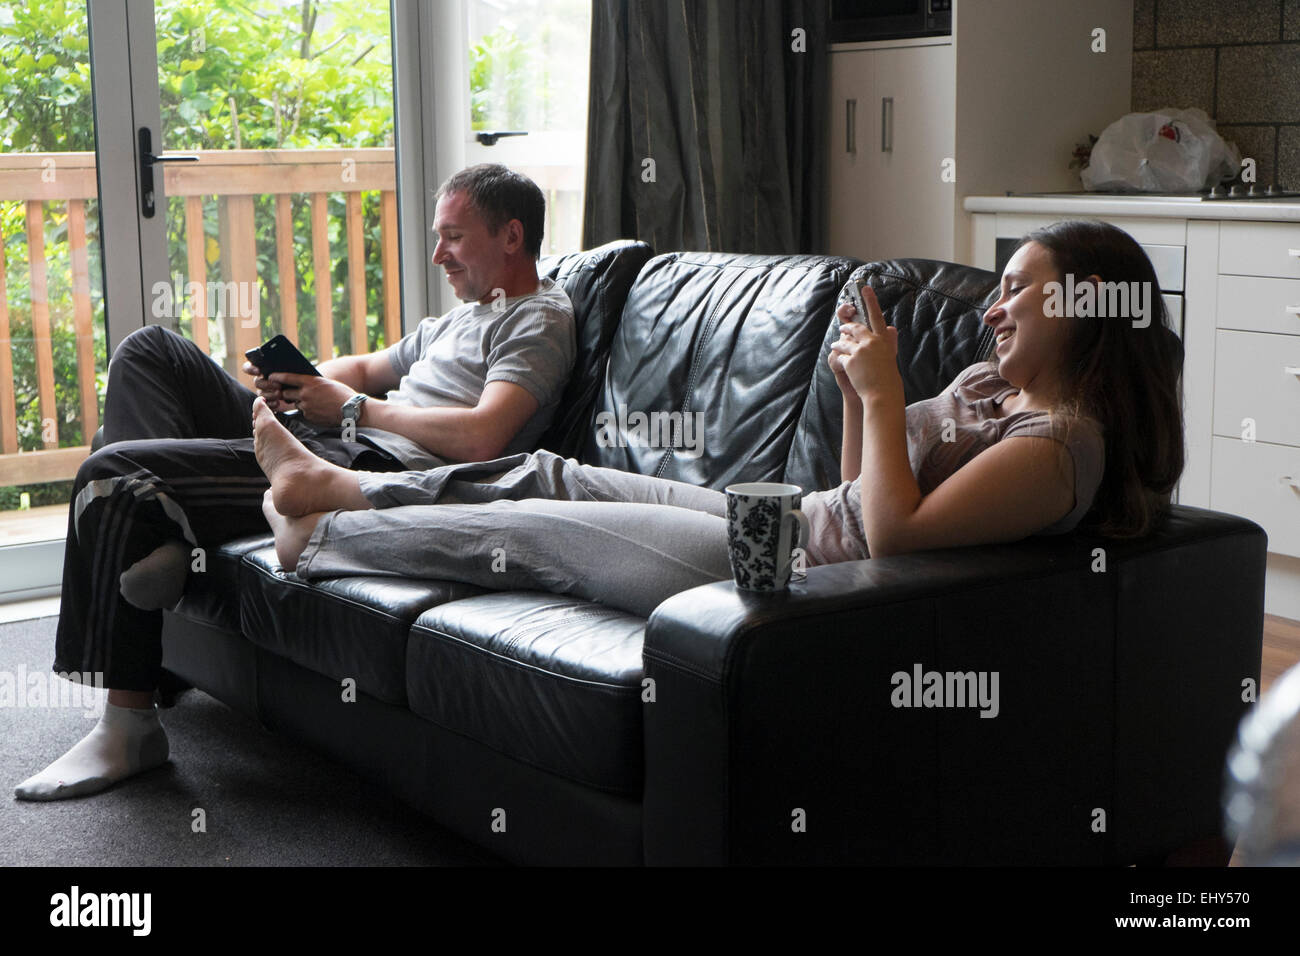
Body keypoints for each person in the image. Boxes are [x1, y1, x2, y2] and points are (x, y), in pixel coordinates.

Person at [251, 219, 1183, 620]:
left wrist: (889, 393)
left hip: (801, 572)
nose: (993, 307)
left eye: (1020, 289)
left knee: (541, 531)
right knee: (553, 475)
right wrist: (862, 397)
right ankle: (345, 486)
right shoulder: (992, 388)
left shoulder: (1063, 450)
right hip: (798, 521)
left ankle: (322, 534)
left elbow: (894, 543)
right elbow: (861, 491)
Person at [15, 163, 576, 801]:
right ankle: (169, 533)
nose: (437, 254)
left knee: (112, 469)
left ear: (510, 236)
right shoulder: (463, 317)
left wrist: (347, 408)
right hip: (327, 434)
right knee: (149, 351)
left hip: (364, 470)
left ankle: (128, 723)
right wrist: (301, 385)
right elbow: (365, 366)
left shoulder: (538, 318)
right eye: (436, 235)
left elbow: (484, 435)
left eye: (452, 237)